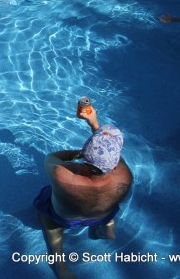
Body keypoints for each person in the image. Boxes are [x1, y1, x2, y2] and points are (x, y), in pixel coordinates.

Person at [34, 106, 132, 278]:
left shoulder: (62, 175)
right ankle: (106, 227)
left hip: (66, 219)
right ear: (115, 164)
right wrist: (94, 122)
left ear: (85, 156)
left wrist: (76, 154)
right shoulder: (125, 175)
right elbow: (114, 156)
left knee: (48, 218)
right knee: (108, 202)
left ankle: (61, 266)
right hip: (102, 214)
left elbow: (51, 158)